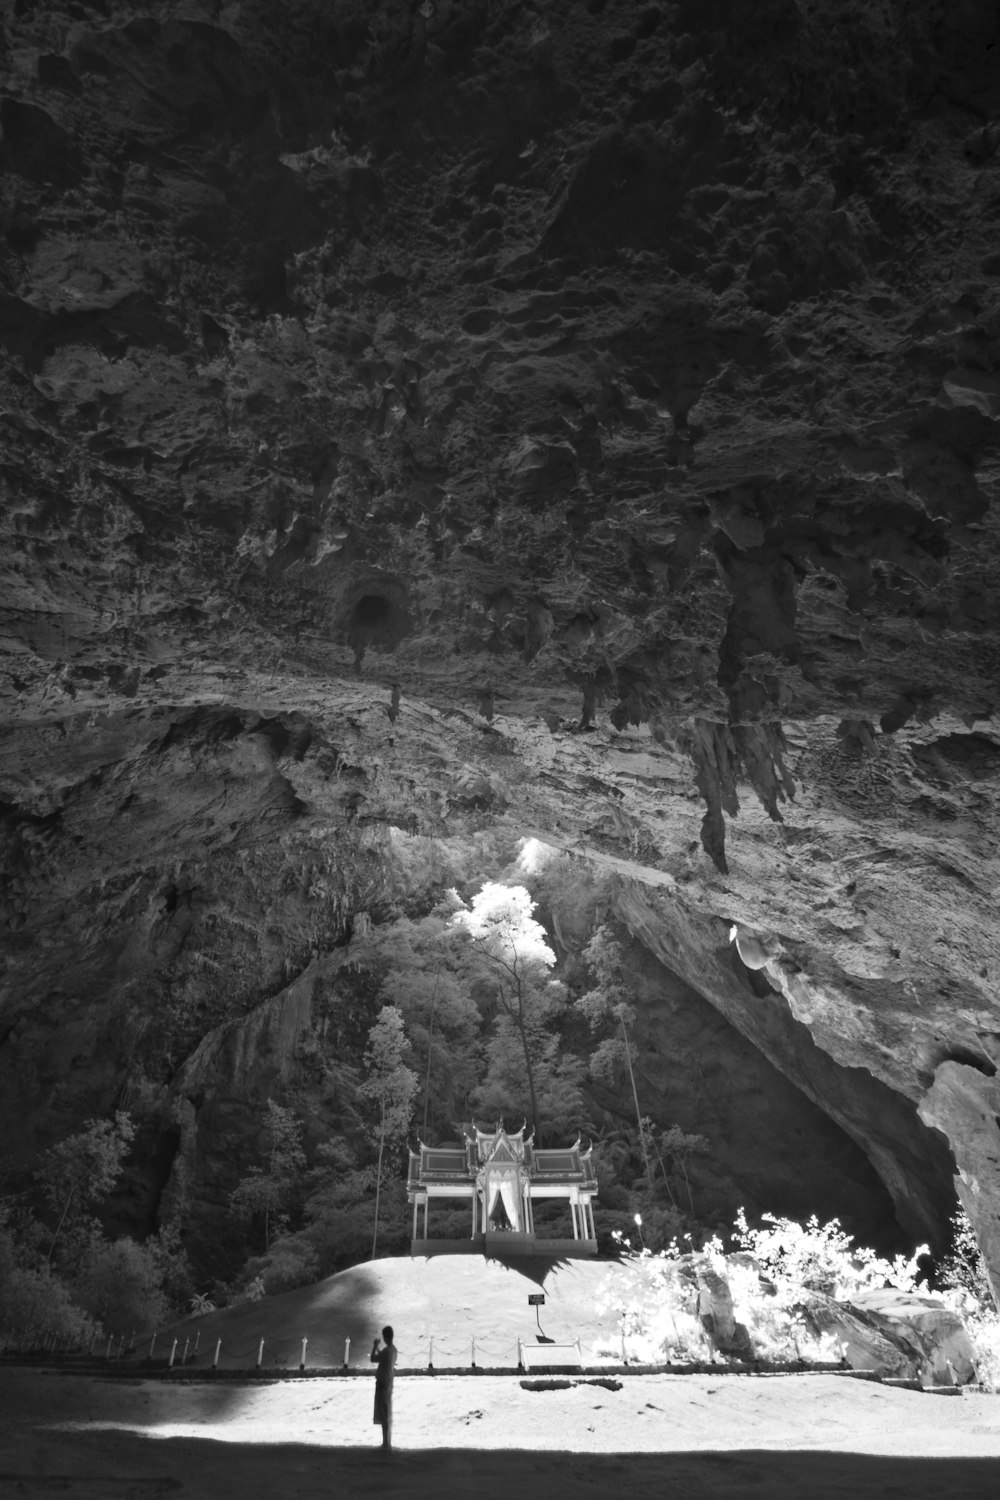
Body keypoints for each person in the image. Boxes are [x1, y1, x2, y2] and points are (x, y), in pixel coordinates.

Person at [370, 1325, 397, 1453]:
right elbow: (383, 1357)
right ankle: (386, 1442)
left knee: (384, 1414)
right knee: (386, 1413)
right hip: (388, 1383)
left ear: (385, 1337)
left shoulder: (387, 1351)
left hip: (382, 1384)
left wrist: (375, 1346)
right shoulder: (393, 1350)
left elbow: (373, 1358)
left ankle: (386, 1443)